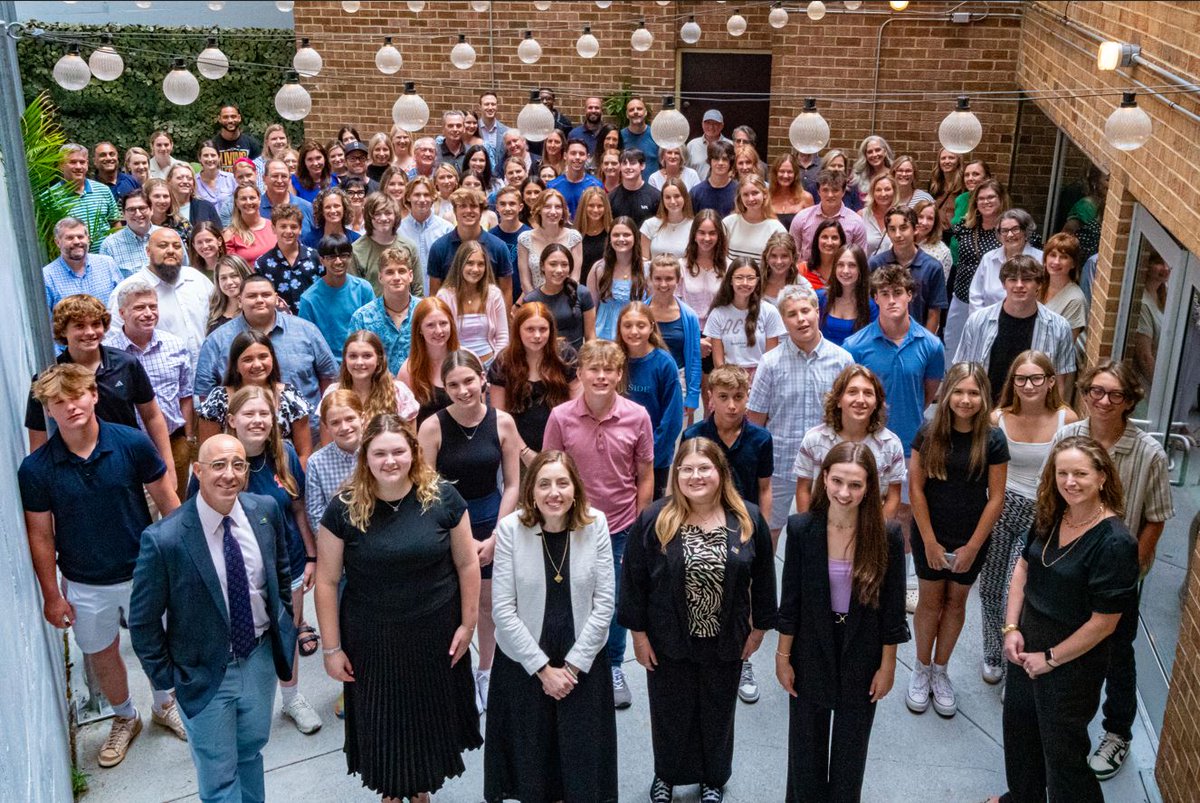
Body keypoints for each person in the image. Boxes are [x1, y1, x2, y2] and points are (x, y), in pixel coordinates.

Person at [21, 364, 183, 768]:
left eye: (77, 395)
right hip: (84, 581)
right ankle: (125, 716)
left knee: (155, 646)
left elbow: (169, 503)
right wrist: (51, 595)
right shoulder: (37, 469)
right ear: (49, 412)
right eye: (59, 402)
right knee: (102, 653)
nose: (71, 406)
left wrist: (182, 564)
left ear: (94, 395)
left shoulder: (131, 443)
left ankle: (165, 705)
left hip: (143, 571)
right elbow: (41, 536)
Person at [315, 413, 481, 799]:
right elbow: (325, 581)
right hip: (373, 640)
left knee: (427, 725)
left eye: (398, 452)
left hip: (435, 636)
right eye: (379, 453)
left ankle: (421, 792)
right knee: (384, 728)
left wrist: (468, 624)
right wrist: (331, 648)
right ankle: (391, 791)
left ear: (413, 453)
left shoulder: (442, 496)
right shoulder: (343, 508)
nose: (390, 461)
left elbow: (468, 562)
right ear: (366, 458)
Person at [129, 431, 294, 798]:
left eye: (238, 464)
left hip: (259, 661)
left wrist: (284, 635)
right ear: (198, 472)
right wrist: (168, 679)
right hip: (203, 675)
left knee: (250, 753)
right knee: (219, 778)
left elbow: (280, 578)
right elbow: (143, 620)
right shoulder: (165, 539)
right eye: (218, 465)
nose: (229, 474)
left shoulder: (265, 511)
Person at [619, 437, 777, 803]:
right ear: (676, 475)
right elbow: (634, 583)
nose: (695, 476)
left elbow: (765, 578)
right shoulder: (654, 519)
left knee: (718, 711)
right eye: (686, 469)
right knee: (669, 711)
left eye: (704, 468)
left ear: (721, 473)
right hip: (668, 638)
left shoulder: (748, 519)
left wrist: (759, 628)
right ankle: (666, 775)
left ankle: (713, 778)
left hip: (726, 638)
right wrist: (638, 637)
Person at [995, 436, 1138, 803]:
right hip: (1026, 650)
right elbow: (1023, 568)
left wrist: (1051, 659)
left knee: (1063, 757)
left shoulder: (1115, 542)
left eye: (1080, 473)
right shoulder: (1051, 515)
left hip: (1070, 666)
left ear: (1102, 477)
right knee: (1020, 736)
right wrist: (1011, 628)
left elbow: (1104, 623)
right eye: (1062, 473)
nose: (1070, 482)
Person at [1053, 360, 1173, 781]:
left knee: (1117, 652)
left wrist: (1131, 569)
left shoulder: (1148, 453)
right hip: (1068, 566)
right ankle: (1060, 717)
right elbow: (1052, 498)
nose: (1103, 401)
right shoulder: (1068, 437)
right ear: (1084, 394)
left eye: (1115, 394)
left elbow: (1156, 517)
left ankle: (1117, 731)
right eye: (1096, 392)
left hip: (1117, 575)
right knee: (1065, 638)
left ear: (1129, 401)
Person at [777, 442, 909, 802]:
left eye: (855, 485)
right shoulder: (802, 529)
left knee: (852, 748)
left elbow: (893, 610)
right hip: (811, 644)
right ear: (824, 478)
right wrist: (783, 656)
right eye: (837, 481)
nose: (844, 493)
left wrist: (888, 665)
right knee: (805, 744)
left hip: (862, 646)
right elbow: (791, 601)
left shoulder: (887, 536)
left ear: (870, 488)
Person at [485, 450, 618, 802]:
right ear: (531, 491)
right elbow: (502, 609)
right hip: (526, 663)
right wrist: (544, 670)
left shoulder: (596, 523)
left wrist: (570, 668)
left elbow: (604, 604)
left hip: (582, 660)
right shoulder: (511, 529)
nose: (553, 492)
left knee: (580, 757)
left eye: (562, 483)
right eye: (543, 484)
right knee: (532, 757)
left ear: (576, 488)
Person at [544, 339, 654, 710]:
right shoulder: (560, 417)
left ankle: (612, 665)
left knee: (615, 599)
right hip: (573, 524)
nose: (602, 376)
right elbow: (549, 472)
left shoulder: (638, 416)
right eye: (594, 369)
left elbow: (645, 473)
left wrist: (641, 523)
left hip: (621, 525)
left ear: (620, 375)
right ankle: (575, 661)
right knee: (573, 597)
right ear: (581, 373)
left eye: (610, 369)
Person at [205, 386, 320, 734]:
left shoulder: (283, 454)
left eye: (264, 414)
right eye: (249, 414)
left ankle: (292, 699)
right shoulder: (218, 463)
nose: (257, 421)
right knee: (244, 639)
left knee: (287, 630)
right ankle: (244, 703)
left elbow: (298, 508)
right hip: (238, 570)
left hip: (288, 563)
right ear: (231, 420)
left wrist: (312, 555)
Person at [419, 350, 521, 712]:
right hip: (448, 523)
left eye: (468, 380)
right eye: (453, 384)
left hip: (491, 519)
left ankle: (487, 671)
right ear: (444, 388)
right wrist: (454, 537)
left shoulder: (503, 422)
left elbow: (511, 484)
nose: (463, 390)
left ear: (483, 380)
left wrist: (496, 535)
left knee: (489, 605)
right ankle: (455, 676)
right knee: (452, 604)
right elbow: (426, 489)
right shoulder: (432, 427)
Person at [907, 362, 1009, 719]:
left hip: (971, 537)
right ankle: (921, 668)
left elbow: (996, 497)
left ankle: (941, 670)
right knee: (931, 601)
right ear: (947, 393)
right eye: (959, 392)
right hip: (930, 533)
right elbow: (916, 489)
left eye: (973, 393)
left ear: (984, 397)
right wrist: (930, 542)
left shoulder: (993, 439)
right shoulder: (929, 431)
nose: (966, 400)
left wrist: (973, 547)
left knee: (956, 603)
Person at [977, 351, 1078, 687]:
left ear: (1051, 382)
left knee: (1014, 590)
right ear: (1013, 383)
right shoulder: (998, 419)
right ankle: (993, 650)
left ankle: (1013, 667)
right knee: (990, 586)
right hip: (1001, 507)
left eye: (1037, 378)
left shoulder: (1068, 419)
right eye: (1021, 378)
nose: (1029, 385)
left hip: (1042, 513)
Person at [27, 293, 176, 478]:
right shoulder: (48, 377)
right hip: (78, 471)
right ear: (63, 330)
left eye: (96, 324)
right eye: (80, 326)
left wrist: (168, 464)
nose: (90, 332)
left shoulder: (126, 364)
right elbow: (38, 435)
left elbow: (152, 415)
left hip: (129, 464)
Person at [748, 281, 854, 539]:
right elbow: (755, 423)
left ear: (818, 312)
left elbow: (850, 420)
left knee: (824, 536)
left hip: (827, 468)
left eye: (805, 311)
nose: (801, 319)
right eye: (792, 314)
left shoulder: (843, 360)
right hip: (780, 466)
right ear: (783, 321)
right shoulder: (770, 363)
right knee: (767, 535)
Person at [196, 274, 337, 444]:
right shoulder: (217, 340)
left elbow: (329, 378)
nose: (259, 300)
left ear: (276, 298)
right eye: (252, 296)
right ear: (239, 300)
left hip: (308, 439)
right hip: (240, 446)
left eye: (265, 295)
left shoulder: (306, 331)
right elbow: (205, 393)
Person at [105, 280, 195, 501]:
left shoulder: (175, 346)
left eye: (152, 307)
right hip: (128, 449)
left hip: (174, 444)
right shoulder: (108, 353)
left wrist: (189, 437)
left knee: (177, 508)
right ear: (122, 313)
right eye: (139, 308)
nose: (148, 313)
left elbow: (185, 395)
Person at [955, 255, 1077, 404]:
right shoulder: (978, 321)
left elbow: (1061, 381)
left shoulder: (1059, 327)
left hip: (1033, 414)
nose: (1019, 285)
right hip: (984, 411)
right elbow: (960, 372)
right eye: (1012, 279)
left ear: (1039, 284)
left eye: (1027, 279)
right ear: (1003, 284)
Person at [793, 364, 906, 521]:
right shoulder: (814, 439)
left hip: (870, 527)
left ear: (876, 404)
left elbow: (893, 497)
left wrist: (877, 534)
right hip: (822, 525)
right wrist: (809, 531)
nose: (860, 400)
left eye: (868, 393)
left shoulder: (891, 444)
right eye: (852, 392)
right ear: (838, 400)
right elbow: (804, 489)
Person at [197, 329, 313, 461]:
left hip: (281, 474)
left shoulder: (290, 396)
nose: (257, 365)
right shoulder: (218, 399)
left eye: (263, 356)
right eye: (247, 359)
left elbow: (304, 453)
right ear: (236, 365)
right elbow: (207, 453)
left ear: (272, 358)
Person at [488, 303, 579, 457]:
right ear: (518, 330)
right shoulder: (503, 361)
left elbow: (576, 408)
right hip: (517, 449)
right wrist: (524, 452)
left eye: (543, 329)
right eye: (530, 329)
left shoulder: (565, 356)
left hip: (563, 447)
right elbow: (500, 416)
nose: (537, 335)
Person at [682, 364, 772, 511]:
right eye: (723, 397)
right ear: (711, 397)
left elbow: (765, 488)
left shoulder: (761, 439)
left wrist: (763, 529)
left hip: (745, 519)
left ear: (747, 396)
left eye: (738, 397)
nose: (731, 405)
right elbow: (682, 484)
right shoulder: (693, 436)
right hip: (701, 516)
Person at [617, 302, 684, 498]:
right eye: (627, 325)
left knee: (649, 516)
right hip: (619, 456)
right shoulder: (614, 360)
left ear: (652, 327)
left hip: (655, 457)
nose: (634, 331)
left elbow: (672, 419)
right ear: (619, 328)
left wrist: (649, 456)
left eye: (641, 325)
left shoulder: (664, 363)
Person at [945, 177, 1009, 364]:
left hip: (991, 301)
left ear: (1001, 200)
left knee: (983, 349)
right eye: (981, 198)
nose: (986, 202)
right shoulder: (965, 227)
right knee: (953, 345)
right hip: (962, 296)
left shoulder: (1008, 232)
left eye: (991, 197)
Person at [868, 205, 948, 333]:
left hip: (918, 338)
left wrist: (924, 345)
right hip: (882, 337)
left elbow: (934, 313)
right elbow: (869, 306)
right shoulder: (876, 263)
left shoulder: (932, 267)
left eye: (903, 228)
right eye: (892, 229)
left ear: (915, 229)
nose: (898, 235)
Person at [704, 256, 785, 381]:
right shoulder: (718, 314)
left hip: (762, 378)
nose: (745, 283)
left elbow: (771, 358)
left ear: (757, 281)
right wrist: (732, 383)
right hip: (728, 379)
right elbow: (718, 362)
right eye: (739, 278)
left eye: (751, 278)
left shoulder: (769, 311)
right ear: (730, 280)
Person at [427, 187, 514, 302]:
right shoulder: (439, 247)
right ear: (455, 211)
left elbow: (506, 291)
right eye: (462, 206)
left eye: (473, 206)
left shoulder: (498, 247)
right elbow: (434, 293)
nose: (468, 210)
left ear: (481, 211)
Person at [323, 330, 419, 431]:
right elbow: (328, 445)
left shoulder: (398, 392)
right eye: (353, 356)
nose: (359, 362)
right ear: (345, 359)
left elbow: (411, 442)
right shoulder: (332, 393)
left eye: (367, 356)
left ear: (379, 359)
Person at [299, 234, 375, 360]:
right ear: (322, 260)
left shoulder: (363, 289)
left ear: (350, 257)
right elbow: (307, 341)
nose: (338, 261)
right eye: (331, 257)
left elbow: (373, 330)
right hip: (327, 365)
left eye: (343, 255)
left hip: (362, 360)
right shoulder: (309, 299)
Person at [646, 254, 702, 421]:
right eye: (658, 278)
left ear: (678, 280)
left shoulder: (689, 316)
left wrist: (692, 396)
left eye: (669, 279)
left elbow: (694, 358)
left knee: (676, 440)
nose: (663, 284)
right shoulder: (639, 312)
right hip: (646, 381)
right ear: (650, 279)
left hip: (679, 383)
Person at [348, 245, 421, 373]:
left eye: (402, 271)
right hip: (377, 388)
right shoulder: (363, 317)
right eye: (390, 272)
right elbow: (352, 360)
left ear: (410, 276)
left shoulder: (424, 311)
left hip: (420, 385)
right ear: (380, 277)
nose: (396, 277)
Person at [436, 240, 510, 366]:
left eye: (481, 264)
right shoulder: (444, 296)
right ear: (460, 264)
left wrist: (496, 366)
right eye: (469, 263)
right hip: (457, 364)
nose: (475, 269)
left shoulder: (494, 294)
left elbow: (502, 336)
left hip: (490, 363)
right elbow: (441, 338)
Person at [42, 217, 124, 321]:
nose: (76, 241)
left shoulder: (107, 264)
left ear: (88, 239)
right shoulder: (47, 277)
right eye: (69, 238)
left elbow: (124, 303)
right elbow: (47, 322)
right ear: (58, 242)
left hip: (110, 335)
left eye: (80, 237)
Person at [681, 211, 728, 385]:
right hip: (688, 335)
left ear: (719, 236)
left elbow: (730, 307)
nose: (706, 238)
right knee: (689, 395)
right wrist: (695, 340)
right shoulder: (681, 267)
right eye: (702, 232)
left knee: (713, 394)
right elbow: (676, 308)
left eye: (712, 233)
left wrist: (711, 340)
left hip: (719, 337)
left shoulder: (729, 267)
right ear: (694, 235)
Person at [398, 296, 460, 428]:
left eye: (443, 323)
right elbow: (405, 427)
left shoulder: (466, 360)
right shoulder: (408, 371)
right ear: (419, 329)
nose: (438, 331)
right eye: (430, 325)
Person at [521, 243, 595, 350]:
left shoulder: (582, 293)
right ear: (542, 266)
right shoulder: (531, 300)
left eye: (564, 265)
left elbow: (590, 336)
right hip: (544, 360)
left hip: (576, 360)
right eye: (553, 264)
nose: (559, 270)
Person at [969, 209, 1044, 315]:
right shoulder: (989, 259)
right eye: (1004, 231)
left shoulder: (1040, 260)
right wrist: (980, 322)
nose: (1010, 235)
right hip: (989, 323)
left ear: (1025, 231)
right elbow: (975, 295)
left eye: (1015, 229)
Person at [587, 216, 647, 341]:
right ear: (609, 239)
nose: (621, 239)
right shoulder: (599, 269)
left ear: (635, 238)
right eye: (616, 235)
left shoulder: (646, 269)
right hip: (603, 337)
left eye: (626, 235)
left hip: (636, 337)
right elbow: (590, 310)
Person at [254, 204, 322, 310]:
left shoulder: (316, 257)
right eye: (283, 226)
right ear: (273, 229)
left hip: (313, 318)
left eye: (293, 227)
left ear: (300, 229)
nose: (288, 231)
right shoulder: (262, 263)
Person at [789, 169, 869, 258]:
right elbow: (792, 254)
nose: (830, 195)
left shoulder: (856, 222)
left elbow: (860, 260)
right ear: (818, 191)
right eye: (825, 190)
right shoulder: (802, 218)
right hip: (806, 271)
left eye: (835, 190)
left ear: (843, 192)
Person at [518, 188, 583, 291]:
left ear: (563, 211)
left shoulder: (574, 238)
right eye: (547, 206)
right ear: (539, 210)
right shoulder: (525, 239)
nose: (553, 212)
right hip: (535, 301)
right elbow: (525, 282)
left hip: (567, 299)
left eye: (558, 207)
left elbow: (575, 277)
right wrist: (537, 303)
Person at [59, 143, 120, 251]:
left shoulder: (103, 190)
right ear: (61, 165)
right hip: (72, 262)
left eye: (82, 162)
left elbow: (115, 223)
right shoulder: (50, 197)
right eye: (73, 162)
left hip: (106, 259)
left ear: (87, 164)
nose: (78, 167)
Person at [399, 176, 455, 292]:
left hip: (440, 297)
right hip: (408, 298)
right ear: (408, 197)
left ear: (433, 197)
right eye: (417, 195)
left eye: (426, 195)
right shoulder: (398, 230)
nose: (422, 199)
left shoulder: (447, 230)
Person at [818, 244, 878, 346]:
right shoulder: (820, 298)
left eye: (852, 265)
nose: (845, 271)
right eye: (840, 265)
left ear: (861, 269)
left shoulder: (871, 305)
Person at [723, 175, 787, 263]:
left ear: (764, 194)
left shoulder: (776, 229)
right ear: (740, 197)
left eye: (755, 193)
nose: (750, 198)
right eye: (745, 194)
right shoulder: (728, 223)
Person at [100, 189, 160, 276]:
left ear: (151, 210)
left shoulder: (169, 236)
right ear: (123, 214)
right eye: (131, 209)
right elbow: (106, 281)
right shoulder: (110, 245)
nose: (138, 214)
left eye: (142, 208)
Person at [1040, 232, 1088, 341]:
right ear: (1045, 259)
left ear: (1073, 264)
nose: (1056, 262)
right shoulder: (1036, 286)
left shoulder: (1075, 300)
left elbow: (1067, 344)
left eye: (1064, 257)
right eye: (1052, 255)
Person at [1062, 164, 1107, 264]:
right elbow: (1066, 234)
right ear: (1095, 182)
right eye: (1107, 180)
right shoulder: (1085, 206)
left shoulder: (1108, 206)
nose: (1112, 184)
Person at [640, 176, 694, 259]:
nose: (672, 201)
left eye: (677, 196)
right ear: (663, 200)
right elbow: (644, 261)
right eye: (668, 197)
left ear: (685, 197)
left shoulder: (694, 226)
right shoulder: (649, 225)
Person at [223, 184, 276, 264]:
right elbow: (231, 268)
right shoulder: (230, 235)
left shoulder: (274, 226)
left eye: (252, 198)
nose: (248, 202)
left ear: (259, 199)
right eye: (243, 199)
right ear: (236, 202)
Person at [608, 148, 661, 228]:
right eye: (624, 163)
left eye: (632, 163)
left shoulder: (656, 196)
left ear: (642, 165)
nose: (628, 167)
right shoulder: (611, 197)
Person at [165, 163, 222, 231]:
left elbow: (219, 233)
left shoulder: (205, 206)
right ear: (169, 181)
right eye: (179, 178)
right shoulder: (163, 206)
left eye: (189, 178)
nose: (185, 181)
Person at [575, 186, 613, 287]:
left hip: (606, 289)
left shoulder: (612, 234)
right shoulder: (574, 235)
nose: (595, 210)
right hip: (580, 291)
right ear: (583, 207)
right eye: (591, 205)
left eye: (600, 206)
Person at [689, 140, 738, 217]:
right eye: (716, 159)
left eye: (724, 159)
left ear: (730, 162)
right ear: (710, 161)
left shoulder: (739, 191)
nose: (720, 163)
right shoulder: (696, 193)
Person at [206, 255, 252, 334]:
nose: (229, 282)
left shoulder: (255, 307)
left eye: (234, 276)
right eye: (223, 278)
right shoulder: (213, 308)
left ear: (244, 275)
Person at [768, 152, 814, 231]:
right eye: (782, 171)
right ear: (775, 173)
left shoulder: (806, 198)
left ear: (795, 174)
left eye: (790, 172)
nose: (785, 175)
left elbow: (811, 231)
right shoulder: (766, 196)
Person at [305, 186, 361, 251]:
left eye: (336, 206)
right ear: (321, 211)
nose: (333, 211)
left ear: (344, 208)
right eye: (327, 207)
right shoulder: (309, 239)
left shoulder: (356, 240)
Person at [685, 109, 731, 180]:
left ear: (722, 125)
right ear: (702, 124)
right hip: (696, 189)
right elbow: (685, 171)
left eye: (715, 123)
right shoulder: (692, 145)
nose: (711, 127)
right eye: (708, 123)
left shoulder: (730, 145)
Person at [618, 96, 658, 178]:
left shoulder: (656, 135)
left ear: (645, 112)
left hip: (652, 188)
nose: (635, 112)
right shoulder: (620, 136)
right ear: (627, 114)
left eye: (639, 109)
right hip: (627, 186)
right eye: (631, 110)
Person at [913, 198, 952, 281]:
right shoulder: (901, 241)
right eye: (920, 217)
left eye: (930, 218)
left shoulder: (943, 252)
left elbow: (940, 287)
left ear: (935, 223)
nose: (924, 222)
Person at [799, 219, 844, 290]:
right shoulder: (802, 270)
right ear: (817, 240)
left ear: (841, 242)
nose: (829, 242)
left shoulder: (846, 271)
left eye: (834, 238)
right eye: (825, 237)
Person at [213, 104, 262, 169]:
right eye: (225, 117)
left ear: (239, 118)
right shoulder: (212, 145)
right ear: (219, 119)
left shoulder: (252, 144)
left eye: (233, 116)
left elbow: (259, 170)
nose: (230, 120)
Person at [860, 174, 897, 258]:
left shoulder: (901, 215)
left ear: (894, 191)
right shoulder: (861, 215)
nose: (883, 194)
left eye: (887, 189)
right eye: (878, 190)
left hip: (893, 269)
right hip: (867, 269)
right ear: (872, 192)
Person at [851, 135, 894, 204]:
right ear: (865, 155)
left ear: (885, 152)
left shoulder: (894, 175)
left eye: (877, 150)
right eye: (870, 152)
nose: (874, 154)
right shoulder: (859, 177)